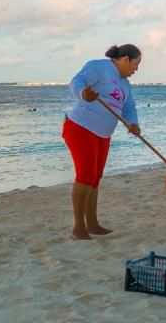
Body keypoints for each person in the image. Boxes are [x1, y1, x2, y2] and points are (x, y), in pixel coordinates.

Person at [63, 44, 142, 240]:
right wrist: (84, 93)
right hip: (81, 127)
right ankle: (78, 227)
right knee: (85, 175)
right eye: (135, 64)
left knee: (95, 178)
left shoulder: (125, 85)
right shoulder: (99, 67)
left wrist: (133, 123)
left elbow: (129, 107)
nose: (136, 69)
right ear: (124, 59)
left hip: (103, 134)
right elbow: (77, 81)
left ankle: (93, 224)